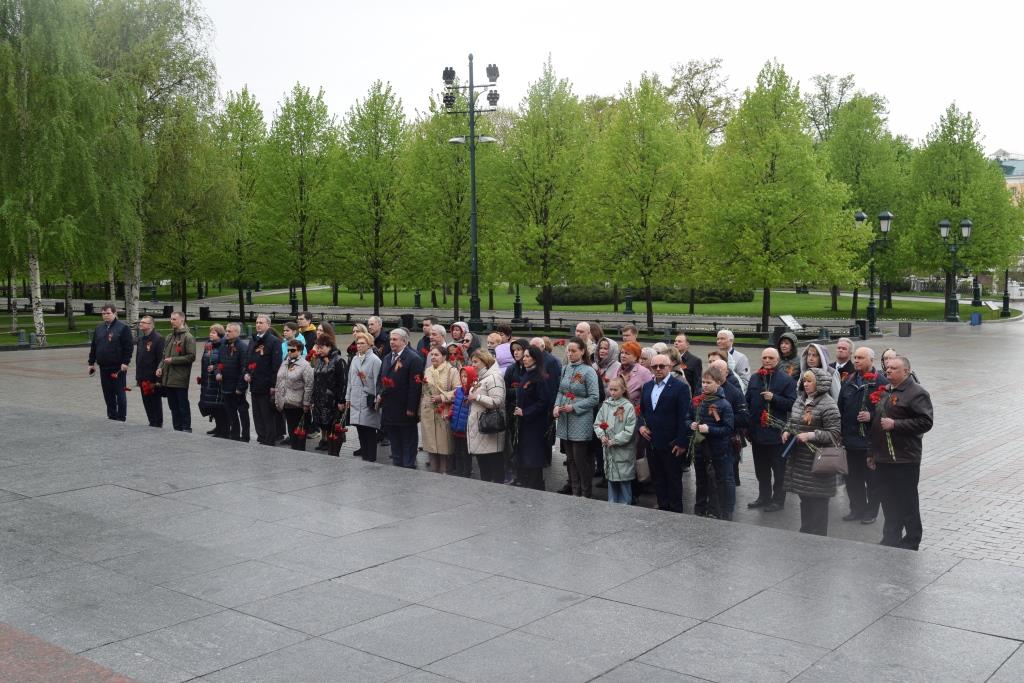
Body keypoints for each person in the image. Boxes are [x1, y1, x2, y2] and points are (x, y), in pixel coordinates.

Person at [870, 355, 933, 550]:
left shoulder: (917, 393)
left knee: (907, 502)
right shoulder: (886, 391)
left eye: (893, 368)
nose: (888, 371)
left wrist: (896, 425)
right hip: (883, 458)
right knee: (888, 501)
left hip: (904, 458)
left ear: (906, 371)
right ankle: (891, 536)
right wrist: (871, 453)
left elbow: (925, 422)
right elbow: (876, 425)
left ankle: (912, 540)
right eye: (887, 368)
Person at [781, 368, 842, 536]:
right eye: (804, 381)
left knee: (819, 503)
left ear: (819, 384)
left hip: (819, 462)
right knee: (805, 500)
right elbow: (793, 421)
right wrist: (787, 430)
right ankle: (806, 532)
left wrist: (811, 435)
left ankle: (818, 537)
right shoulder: (800, 400)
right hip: (800, 461)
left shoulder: (828, 404)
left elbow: (834, 434)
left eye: (809, 381)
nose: (805, 384)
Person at [745, 348, 798, 512]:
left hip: (776, 434)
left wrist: (774, 398)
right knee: (761, 469)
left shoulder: (786, 380)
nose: (767, 360)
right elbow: (748, 402)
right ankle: (764, 496)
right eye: (764, 357)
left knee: (779, 470)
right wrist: (748, 427)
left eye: (770, 358)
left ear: (777, 360)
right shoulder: (755, 378)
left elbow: (792, 404)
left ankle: (778, 500)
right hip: (757, 433)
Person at [638, 354, 692, 513]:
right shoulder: (647, 386)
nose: (658, 369)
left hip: (672, 443)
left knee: (673, 480)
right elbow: (642, 411)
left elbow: (685, 416)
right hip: (652, 441)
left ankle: (675, 512)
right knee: (657, 478)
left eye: (662, 366)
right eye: (654, 366)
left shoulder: (680, 387)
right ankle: (662, 509)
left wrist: (682, 442)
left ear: (669, 367)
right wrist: (641, 426)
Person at [837, 346, 882, 524]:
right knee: (852, 479)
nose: (856, 360)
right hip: (850, 441)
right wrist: (840, 433)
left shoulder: (880, 382)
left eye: (861, 358)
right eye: (855, 357)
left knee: (872, 480)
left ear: (871, 360)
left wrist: (872, 415)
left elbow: (889, 410)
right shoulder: (849, 380)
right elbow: (840, 408)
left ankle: (871, 512)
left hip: (870, 443)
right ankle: (856, 508)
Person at [554, 337, 600, 497]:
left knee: (580, 459)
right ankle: (575, 491)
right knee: (570, 459)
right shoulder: (565, 369)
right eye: (568, 350)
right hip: (565, 419)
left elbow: (594, 398)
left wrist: (574, 407)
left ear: (582, 351)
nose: (570, 353)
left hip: (580, 419)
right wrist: (556, 406)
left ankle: (586, 492)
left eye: (573, 351)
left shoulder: (589, 371)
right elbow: (561, 391)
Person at [691, 369, 736, 520]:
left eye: (708, 382)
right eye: (703, 382)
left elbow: (728, 429)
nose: (705, 385)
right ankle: (700, 507)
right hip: (700, 448)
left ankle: (718, 510)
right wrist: (690, 424)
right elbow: (687, 417)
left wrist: (710, 429)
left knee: (718, 480)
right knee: (701, 479)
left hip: (717, 449)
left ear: (718, 383)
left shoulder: (724, 404)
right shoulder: (698, 401)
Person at [377, 328, 425, 468]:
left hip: (404, 409)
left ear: (404, 341)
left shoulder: (413, 359)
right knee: (395, 441)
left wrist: (411, 408)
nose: (391, 342)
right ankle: (397, 466)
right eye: (391, 339)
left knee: (408, 441)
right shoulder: (387, 358)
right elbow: (381, 379)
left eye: (395, 339)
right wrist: (379, 394)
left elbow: (415, 387)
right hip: (389, 408)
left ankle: (408, 467)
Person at [594, 375, 638, 504]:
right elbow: (598, 423)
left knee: (624, 481)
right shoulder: (606, 405)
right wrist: (602, 435)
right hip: (609, 451)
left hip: (623, 451)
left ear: (623, 390)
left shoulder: (628, 407)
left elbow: (629, 430)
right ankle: (612, 505)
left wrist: (614, 440)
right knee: (612, 480)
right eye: (610, 389)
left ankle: (625, 505)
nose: (612, 392)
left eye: (615, 390)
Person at [87, 303, 133, 421]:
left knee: (120, 393)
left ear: (114, 313)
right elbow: (94, 346)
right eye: (103, 313)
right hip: (103, 366)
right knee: (107, 393)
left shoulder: (123, 328)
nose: (105, 316)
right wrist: (91, 363)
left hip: (118, 367)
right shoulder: (99, 328)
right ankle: (112, 415)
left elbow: (128, 347)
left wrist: (126, 362)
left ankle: (121, 417)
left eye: (108, 313)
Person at [466, 350, 507, 483]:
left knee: (494, 467)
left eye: (476, 362)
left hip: (490, 429)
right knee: (484, 469)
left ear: (485, 361)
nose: (473, 365)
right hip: (481, 430)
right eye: (472, 362)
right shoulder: (482, 377)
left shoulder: (494, 378)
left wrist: (477, 397)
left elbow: (497, 401)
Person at [513, 346, 550, 490]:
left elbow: (543, 402)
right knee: (526, 453)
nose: (524, 359)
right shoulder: (526, 374)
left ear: (535, 359)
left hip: (535, 424)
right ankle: (527, 481)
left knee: (534, 455)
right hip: (525, 423)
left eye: (527, 356)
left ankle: (536, 484)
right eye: (524, 356)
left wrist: (525, 412)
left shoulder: (539, 377)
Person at [709, 359, 750, 488]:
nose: (715, 372)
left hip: (727, 441)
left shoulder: (734, 392)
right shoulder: (704, 389)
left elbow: (744, 418)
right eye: (712, 369)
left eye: (719, 370)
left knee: (727, 478)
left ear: (726, 372)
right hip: (708, 441)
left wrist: (724, 418)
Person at [420, 347, 459, 473]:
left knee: (444, 444)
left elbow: (457, 391)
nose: (433, 357)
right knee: (430, 444)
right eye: (431, 355)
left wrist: (442, 397)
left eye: (436, 355)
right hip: (428, 411)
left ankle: (445, 471)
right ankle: (433, 470)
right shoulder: (428, 370)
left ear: (444, 356)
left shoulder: (452, 371)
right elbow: (424, 391)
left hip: (444, 411)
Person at [245, 314, 282, 445]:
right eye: (257, 322)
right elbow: (248, 359)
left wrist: (273, 384)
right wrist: (247, 373)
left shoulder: (274, 341)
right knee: (257, 413)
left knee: (267, 413)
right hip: (254, 382)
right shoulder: (253, 340)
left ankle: (269, 438)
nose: (258, 325)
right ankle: (261, 436)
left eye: (261, 322)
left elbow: (276, 365)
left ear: (268, 325)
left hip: (266, 383)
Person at [344, 331, 382, 461]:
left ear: (369, 344)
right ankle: (365, 456)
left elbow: (377, 383)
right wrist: (348, 398)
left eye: (362, 343)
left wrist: (376, 399)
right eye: (358, 343)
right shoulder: (355, 359)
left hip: (368, 400)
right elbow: (350, 380)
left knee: (369, 430)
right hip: (355, 399)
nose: (359, 345)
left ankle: (371, 458)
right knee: (360, 429)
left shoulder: (375, 360)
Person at [157, 311, 196, 432]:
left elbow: (191, 357)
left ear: (182, 320)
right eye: (171, 319)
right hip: (168, 377)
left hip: (180, 378)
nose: (171, 321)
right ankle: (177, 428)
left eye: (174, 319)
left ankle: (186, 427)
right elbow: (164, 355)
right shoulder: (170, 336)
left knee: (182, 404)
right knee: (173, 405)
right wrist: (160, 367)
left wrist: (173, 360)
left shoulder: (188, 337)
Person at [310, 329, 347, 455]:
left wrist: (341, 400)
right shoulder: (320, 360)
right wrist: (313, 399)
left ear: (329, 346)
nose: (319, 350)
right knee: (322, 423)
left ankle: (334, 448)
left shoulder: (338, 360)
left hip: (333, 400)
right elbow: (316, 380)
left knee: (333, 424)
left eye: (321, 348)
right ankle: (325, 442)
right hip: (320, 399)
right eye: (318, 348)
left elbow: (343, 382)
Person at [275, 339, 314, 451]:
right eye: (288, 350)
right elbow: (279, 381)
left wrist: (306, 403)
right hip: (286, 403)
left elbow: (309, 386)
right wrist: (278, 398)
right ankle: (294, 451)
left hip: (298, 405)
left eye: (292, 350)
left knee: (300, 433)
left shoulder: (305, 365)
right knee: (292, 432)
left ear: (300, 351)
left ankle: (300, 452)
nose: (289, 352)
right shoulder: (285, 362)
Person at [219, 323, 251, 442]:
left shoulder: (242, 347)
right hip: (226, 384)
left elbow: (244, 368)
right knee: (231, 411)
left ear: (237, 333)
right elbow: (219, 363)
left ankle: (245, 436)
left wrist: (240, 387)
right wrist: (218, 372)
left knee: (242, 411)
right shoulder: (223, 345)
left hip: (237, 386)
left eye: (230, 331)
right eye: (226, 331)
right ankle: (235, 434)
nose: (227, 333)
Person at [198, 324, 228, 438]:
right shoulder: (208, 345)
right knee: (212, 406)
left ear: (220, 334)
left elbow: (224, 362)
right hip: (208, 380)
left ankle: (223, 429)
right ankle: (218, 427)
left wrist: (215, 368)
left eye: (214, 333)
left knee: (219, 406)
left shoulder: (224, 345)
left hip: (218, 380)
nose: (211, 334)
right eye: (210, 332)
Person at [135, 315, 164, 428]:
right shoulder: (141, 339)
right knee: (146, 401)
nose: (141, 324)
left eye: (144, 322)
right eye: (140, 322)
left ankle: (158, 422)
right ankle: (151, 421)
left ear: (151, 325)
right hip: (142, 376)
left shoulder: (158, 339)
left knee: (155, 401)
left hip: (153, 377)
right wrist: (138, 376)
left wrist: (158, 379)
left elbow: (160, 359)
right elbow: (138, 358)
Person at [449, 366, 475, 478]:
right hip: (456, 428)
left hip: (466, 429)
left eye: (466, 376)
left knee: (466, 454)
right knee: (458, 452)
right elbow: (454, 405)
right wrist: (450, 415)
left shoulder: (473, 392)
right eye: (462, 376)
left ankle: (466, 473)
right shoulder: (458, 391)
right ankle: (459, 472)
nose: (463, 379)